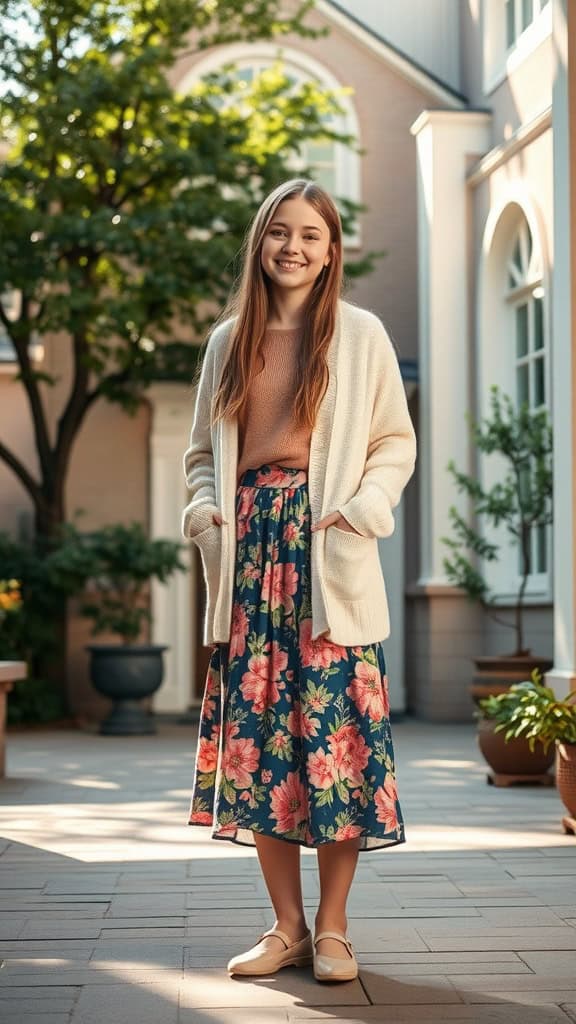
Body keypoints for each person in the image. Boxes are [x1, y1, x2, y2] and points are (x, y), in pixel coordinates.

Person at [181, 178, 417, 983]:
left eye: (309, 235)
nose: (293, 247)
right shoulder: (227, 342)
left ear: (331, 248)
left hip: (328, 549)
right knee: (262, 746)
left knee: (338, 745)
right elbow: (198, 460)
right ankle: (284, 927)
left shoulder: (360, 335)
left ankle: (336, 928)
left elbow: (394, 441)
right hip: (251, 563)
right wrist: (209, 516)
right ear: (260, 242)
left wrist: (364, 506)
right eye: (279, 232)